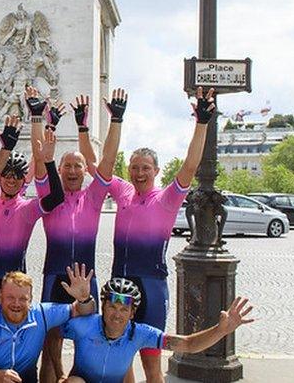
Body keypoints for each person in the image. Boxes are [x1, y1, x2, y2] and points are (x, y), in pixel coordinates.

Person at [83, 88, 216, 383]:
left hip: (152, 285)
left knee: (151, 360)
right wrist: (89, 126)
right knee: (121, 356)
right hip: (121, 282)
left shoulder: (168, 198)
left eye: (145, 168)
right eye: (134, 168)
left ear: (156, 170)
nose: (139, 173)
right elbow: (96, 164)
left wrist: (202, 123)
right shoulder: (123, 191)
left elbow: (190, 166)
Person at [26, 89, 123, 383]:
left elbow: (107, 160)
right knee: (50, 341)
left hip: (86, 278)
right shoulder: (49, 195)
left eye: (76, 165)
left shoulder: (94, 196)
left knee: (86, 340)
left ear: (85, 171)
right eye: (66, 165)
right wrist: (37, 119)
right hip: (54, 275)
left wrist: (113, 121)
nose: (70, 170)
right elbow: (39, 154)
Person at [62, 279, 254, 383]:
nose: (117, 315)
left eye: (124, 309)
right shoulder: (85, 325)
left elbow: (187, 344)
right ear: (103, 306)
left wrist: (220, 331)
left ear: (132, 313)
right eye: (112, 307)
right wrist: (57, 370)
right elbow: (52, 332)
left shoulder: (139, 333)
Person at [0, 120, 65, 312]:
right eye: (7, 175)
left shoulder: (29, 208)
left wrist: (49, 161)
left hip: (15, 284)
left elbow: (58, 197)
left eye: (17, 176)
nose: (12, 180)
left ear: (23, 180)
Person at [0, 265, 96, 383]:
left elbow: (82, 310)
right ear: (0, 297)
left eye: (23, 299)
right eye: (10, 297)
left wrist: (84, 299)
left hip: (25, 380)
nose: (16, 304)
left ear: (31, 299)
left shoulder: (41, 314)